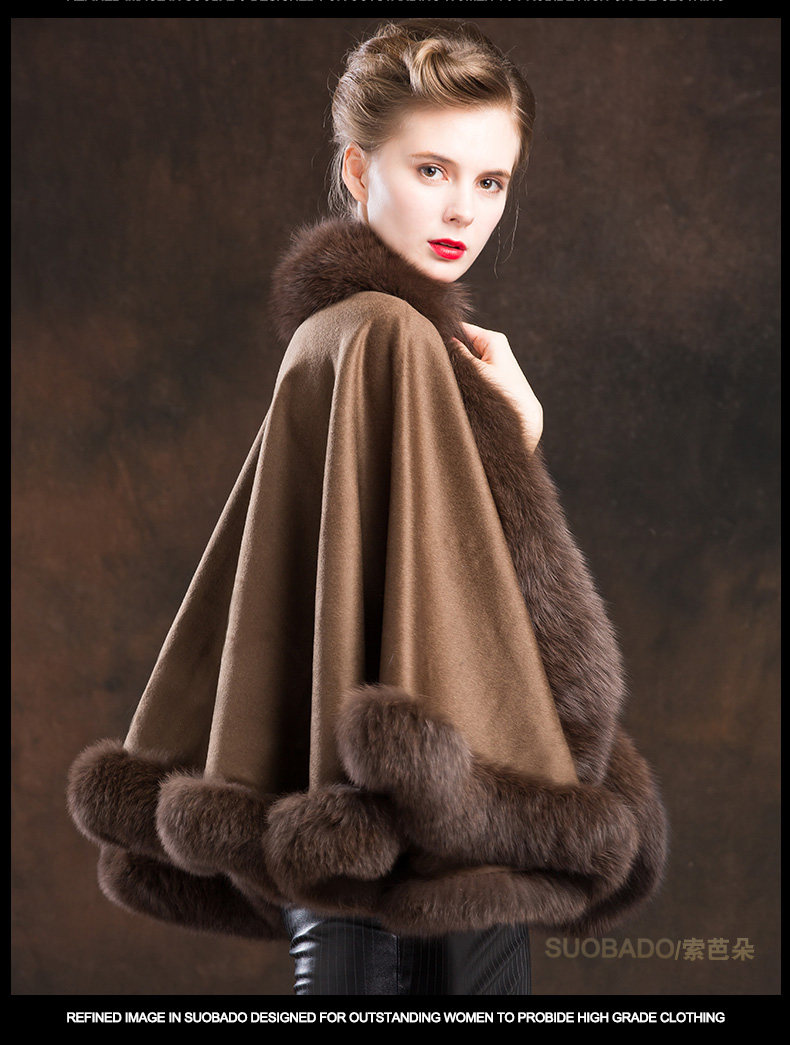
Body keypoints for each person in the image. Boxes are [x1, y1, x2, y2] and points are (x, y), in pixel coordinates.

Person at [66, 19, 667, 997]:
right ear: (357, 168)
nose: (463, 208)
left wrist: (506, 438)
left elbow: (408, 577)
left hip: (356, 801)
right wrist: (509, 442)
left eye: (491, 181)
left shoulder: (337, 336)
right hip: (421, 805)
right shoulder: (387, 336)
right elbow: (457, 607)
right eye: (431, 170)